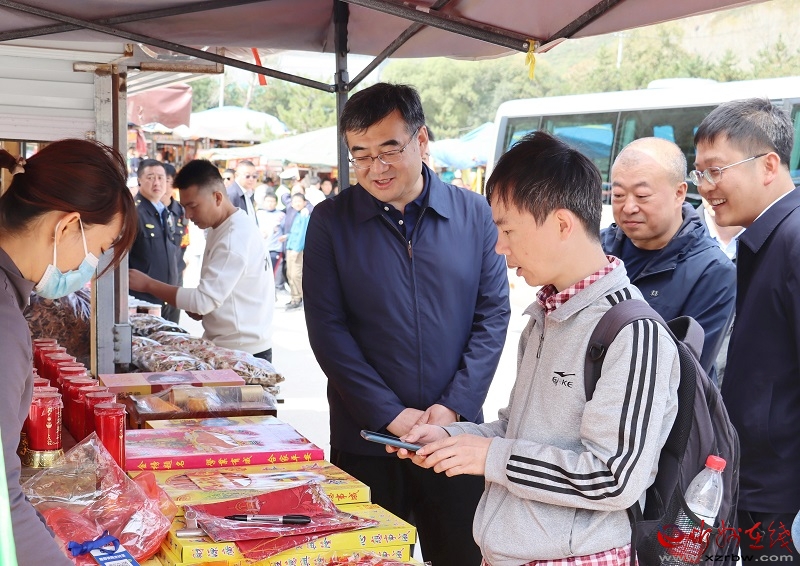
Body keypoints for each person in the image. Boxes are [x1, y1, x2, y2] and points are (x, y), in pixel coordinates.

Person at [394, 131, 681, 566]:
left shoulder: (633, 332)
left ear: (562, 224)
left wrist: (492, 457)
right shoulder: (545, 316)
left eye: (508, 228)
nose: (500, 246)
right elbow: (517, 431)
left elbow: (614, 479)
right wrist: (453, 438)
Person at [303, 82, 510, 566]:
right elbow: (328, 330)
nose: (375, 168)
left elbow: (492, 315)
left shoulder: (473, 213)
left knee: (462, 557)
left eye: (389, 150)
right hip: (367, 441)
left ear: (421, 140)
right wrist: (389, 414)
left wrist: (453, 408)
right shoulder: (331, 221)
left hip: (455, 441)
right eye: (360, 155)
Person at [0, 139, 137, 566]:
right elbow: (2, 502)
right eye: (99, 247)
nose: (91, 264)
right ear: (67, 226)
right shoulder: (3, 320)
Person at [694, 98, 800, 561]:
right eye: (699, 173)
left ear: (769, 166)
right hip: (759, 485)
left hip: (784, 498)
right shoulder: (768, 237)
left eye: (716, 170)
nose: (706, 187)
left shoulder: (793, 239)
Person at [600, 137, 735, 380]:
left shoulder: (712, 271)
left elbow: (686, 374)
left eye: (642, 196)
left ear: (679, 193)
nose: (628, 207)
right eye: (618, 195)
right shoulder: (597, 250)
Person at [129, 160, 275, 361]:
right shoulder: (224, 225)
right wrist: (206, 309)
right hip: (231, 344)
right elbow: (216, 295)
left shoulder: (233, 237)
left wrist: (148, 284)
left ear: (217, 197)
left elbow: (203, 302)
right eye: (184, 207)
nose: (188, 215)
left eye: (193, 206)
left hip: (242, 351)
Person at [129, 159, 182, 323]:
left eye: (161, 178)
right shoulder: (133, 212)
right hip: (143, 301)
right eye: (150, 177)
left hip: (168, 296)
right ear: (139, 180)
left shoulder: (166, 212)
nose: (157, 182)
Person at [161, 162, 189, 288]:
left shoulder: (182, 211)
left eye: (167, 181)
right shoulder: (142, 211)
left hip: (176, 275)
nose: (163, 185)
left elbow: (184, 243)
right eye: (160, 179)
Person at [257, 192, 288, 294]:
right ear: (264, 202)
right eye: (268, 201)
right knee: (261, 272)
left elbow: (286, 230)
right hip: (261, 249)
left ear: (276, 203)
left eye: (272, 201)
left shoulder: (281, 215)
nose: (270, 203)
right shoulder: (259, 214)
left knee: (273, 272)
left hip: (275, 248)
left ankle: (272, 292)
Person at [283, 192, 310, 310]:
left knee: (296, 275)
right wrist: (287, 237)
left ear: (304, 203)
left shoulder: (304, 215)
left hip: (297, 250)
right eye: (295, 201)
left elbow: (303, 235)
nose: (297, 204)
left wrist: (297, 249)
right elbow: (295, 232)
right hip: (290, 247)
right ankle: (295, 298)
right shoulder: (297, 215)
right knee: (290, 274)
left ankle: (303, 298)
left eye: (299, 201)